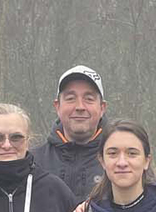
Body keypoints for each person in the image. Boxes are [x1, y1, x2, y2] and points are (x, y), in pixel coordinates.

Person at [29, 65, 108, 198]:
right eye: (70, 98)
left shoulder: (121, 163)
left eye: (89, 99)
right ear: (57, 106)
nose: (80, 107)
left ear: (102, 108)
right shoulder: (32, 163)